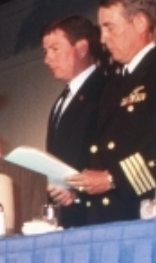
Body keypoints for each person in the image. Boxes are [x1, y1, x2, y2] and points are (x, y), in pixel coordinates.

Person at [64, 0, 156, 226]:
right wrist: (77, 187)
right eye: (101, 29)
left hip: (143, 214)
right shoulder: (113, 84)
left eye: (109, 27)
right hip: (106, 216)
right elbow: (101, 153)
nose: (103, 39)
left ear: (140, 23)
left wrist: (113, 178)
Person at [39, 15, 109, 204]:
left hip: (96, 208)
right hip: (66, 208)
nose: (47, 59)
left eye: (55, 49)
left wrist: (78, 193)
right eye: (45, 51)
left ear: (82, 48)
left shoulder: (106, 89)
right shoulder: (61, 101)